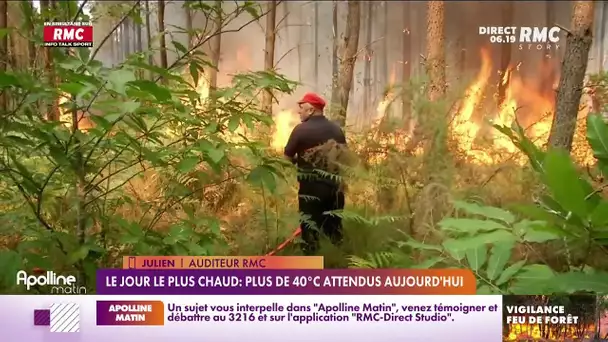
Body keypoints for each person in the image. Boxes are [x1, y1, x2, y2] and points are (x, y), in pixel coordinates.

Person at [284, 92, 348, 255]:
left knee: (310, 232)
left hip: (310, 192)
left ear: (311, 110)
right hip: (335, 190)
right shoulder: (336, 129)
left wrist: (298, 162)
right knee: (334, 231)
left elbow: (286, 158)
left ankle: (310, 268)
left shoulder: (300, 130)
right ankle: (335, 265)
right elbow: (345, 158)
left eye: (302, 108)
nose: (299, 111)